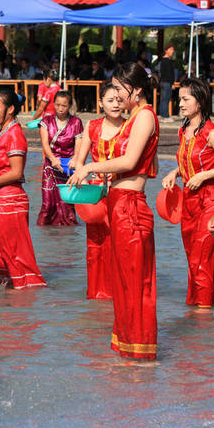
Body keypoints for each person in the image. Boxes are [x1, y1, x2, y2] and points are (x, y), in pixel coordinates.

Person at [68, 62, 160, 360]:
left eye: (122, 89)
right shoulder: (135, 118)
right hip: (119, 204)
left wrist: (92, 167)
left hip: (131, 207)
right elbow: (146, 164)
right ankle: (129, 351)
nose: (118, 95)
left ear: (137, 90)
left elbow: (130, 162)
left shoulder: (145, 116)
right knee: (122, 283)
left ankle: (140, 354)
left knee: (135, 283)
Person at [161, 78, 214, 308]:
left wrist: (203, 176)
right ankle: (198, 317)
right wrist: (175, 172)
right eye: (179, 98)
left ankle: (201, 329)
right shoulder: (183, 129)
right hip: (188, 202)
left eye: (186, 99)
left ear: (200, 101)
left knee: (202, 261)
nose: (180, 104)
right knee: (192, 262)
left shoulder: (212, 133)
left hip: (210, 200)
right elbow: (189, 161)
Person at [0, 89, 46, 289]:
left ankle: (24, 299)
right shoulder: (3, 133)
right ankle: (7, 294)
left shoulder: (15, 134)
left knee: (17, 258)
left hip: (12, 202)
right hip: (0, 200)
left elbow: (16, 173)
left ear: (11, 109)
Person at [73, 83, 124, 300]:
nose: (115, 104)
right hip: (95, 196)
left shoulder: (130, 126)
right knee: (95, 246)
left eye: (119, 100)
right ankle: (96, 294)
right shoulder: (92, 126)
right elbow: (79, 161)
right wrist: (82, 175)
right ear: (100, 103)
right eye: (110, 100)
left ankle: (118, 292)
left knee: (118, 245)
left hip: (121, 192)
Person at [37, 91, 83, 226]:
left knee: (67, 205)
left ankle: (68, 234)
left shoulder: (76, 122)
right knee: (47, 204)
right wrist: (52, 159)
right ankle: (44, 232)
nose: (60, 109)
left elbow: (79, 143)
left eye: (64, 105)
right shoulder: (46, 121)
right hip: (50, 167)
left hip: (67, 168)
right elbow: (45, 144)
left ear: (69, 106)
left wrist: (75, 158)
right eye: (57, 105)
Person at [158, 44, 176, 122]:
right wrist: (172, 83)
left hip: (164, 82)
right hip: (167, 82)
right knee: (166, 99)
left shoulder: (163, 60)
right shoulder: (166, 61)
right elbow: (169, 74)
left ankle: (162, 115)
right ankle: (165, 116)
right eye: (171, 49)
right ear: (166, 50)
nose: (172, 51)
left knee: (164, 99)